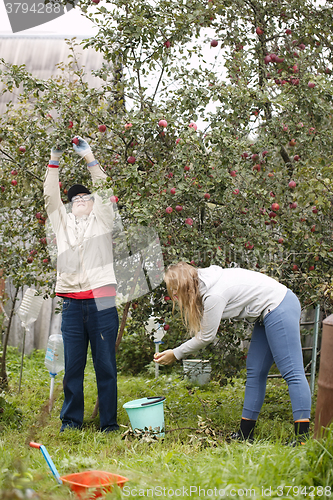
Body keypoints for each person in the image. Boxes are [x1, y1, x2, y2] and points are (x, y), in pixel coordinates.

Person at [154, 261, 311, 445]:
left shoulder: (213, 294)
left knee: (292, 372)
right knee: (255, 371)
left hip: (279, 305)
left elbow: (205, 337)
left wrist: (176, 353)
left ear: (185, 286)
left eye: (175, 289)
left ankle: (302, 439)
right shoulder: (201, 281)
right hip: (265, 313)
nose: (173, 295)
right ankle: (246, 435)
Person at [43, 136, 119, 433]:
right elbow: (51, 196)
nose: (80, 200)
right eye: (74, 198)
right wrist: (55, 157)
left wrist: (88, 155)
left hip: (101, 302)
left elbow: (104, 189)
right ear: (70, 206)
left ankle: (108, 424)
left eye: (85, 197)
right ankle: (71, 422)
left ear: (94, 204)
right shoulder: (62, 225)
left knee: (105, 367)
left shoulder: (103, 221)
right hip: (72, 304)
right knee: (73, 367)